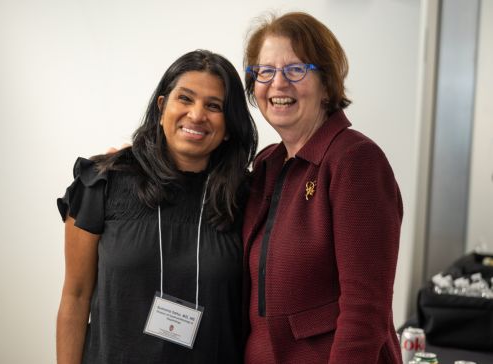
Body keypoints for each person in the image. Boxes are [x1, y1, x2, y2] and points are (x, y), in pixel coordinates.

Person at [56, 50, 258, 364]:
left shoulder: (248, 198)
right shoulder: (101, 184)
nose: (196, 115)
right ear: (163, 107)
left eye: (214, 106)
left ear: (229, 125)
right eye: (185, 99)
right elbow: (75, 296)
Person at [241, 12, 403, 363]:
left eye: (296, 70)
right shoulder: (266, 165)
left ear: (327, 84)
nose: (278, 84)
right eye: (265, 71)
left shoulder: (355, 160)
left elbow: (365, 310)